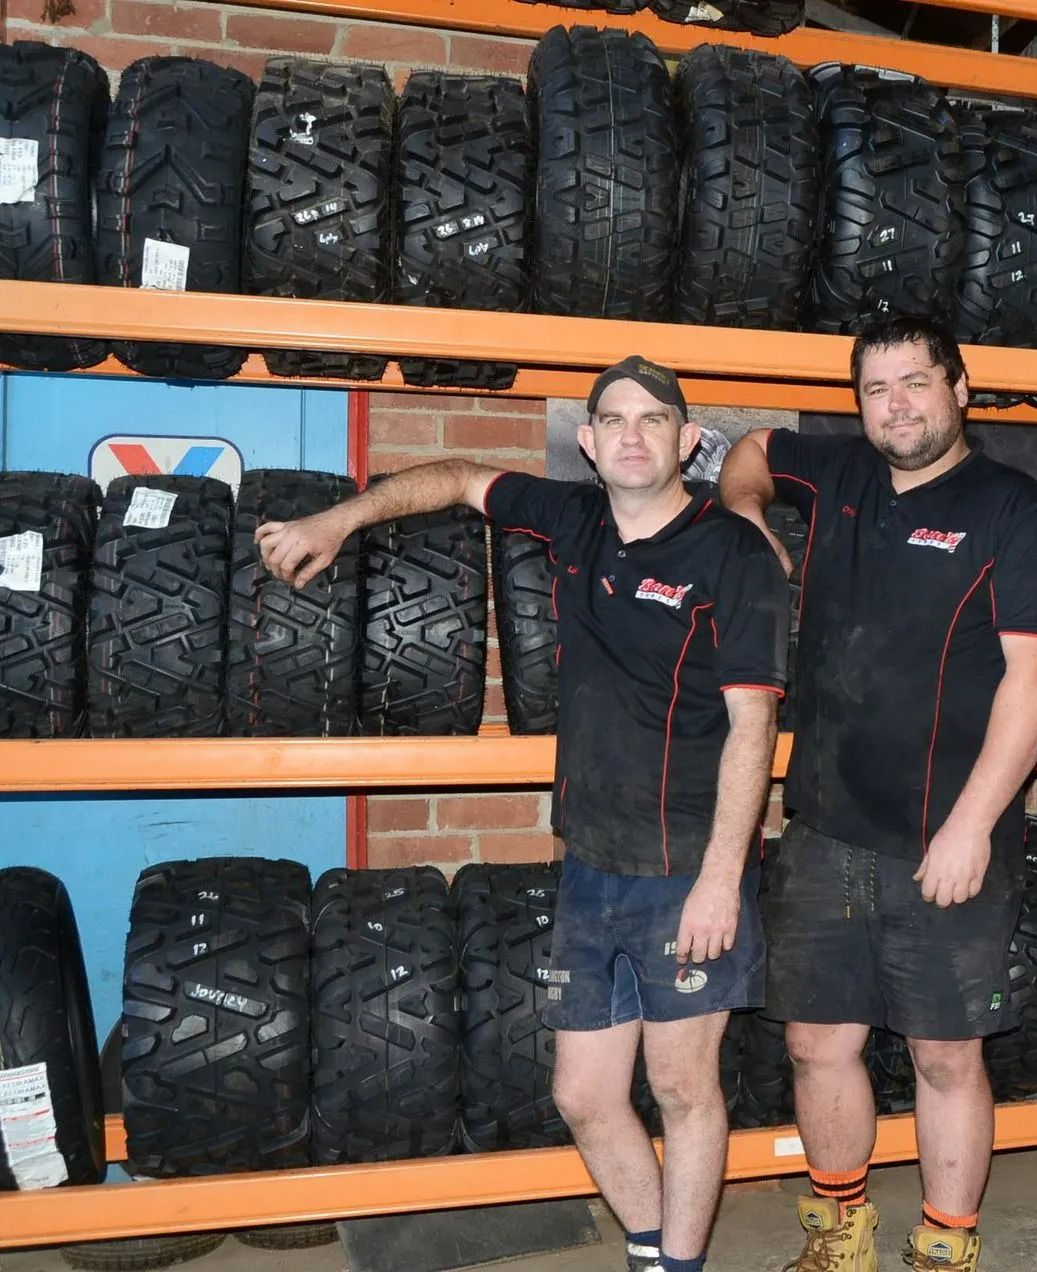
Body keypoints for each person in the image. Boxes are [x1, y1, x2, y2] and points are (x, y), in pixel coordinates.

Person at [256, 356, 789, 1272]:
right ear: (587, 442)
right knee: (583, 1093)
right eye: (613, 419)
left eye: (654, 420)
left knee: (682, 1085)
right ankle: (656, 1248)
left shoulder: (732, 555)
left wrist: (719, 882)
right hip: (590, 863)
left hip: (686, 870)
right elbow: (460, 480)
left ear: (688, 441)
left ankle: (680, 1267)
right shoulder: (575, 516)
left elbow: (754, 727)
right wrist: (339, 518)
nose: (632, 434)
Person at [719, 314, 1037, 1272]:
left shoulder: (1014, 509)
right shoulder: (836, 475)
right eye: (876, 390)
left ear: (961, 388)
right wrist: (746, 514)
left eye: (917, 383)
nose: (897, 406)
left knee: (946, 1056)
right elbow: (749, 447)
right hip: (825, 830)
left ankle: (946, 1246)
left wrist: (971, 828)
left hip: (945, 839)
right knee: (814, 1044)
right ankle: (841, 1234)